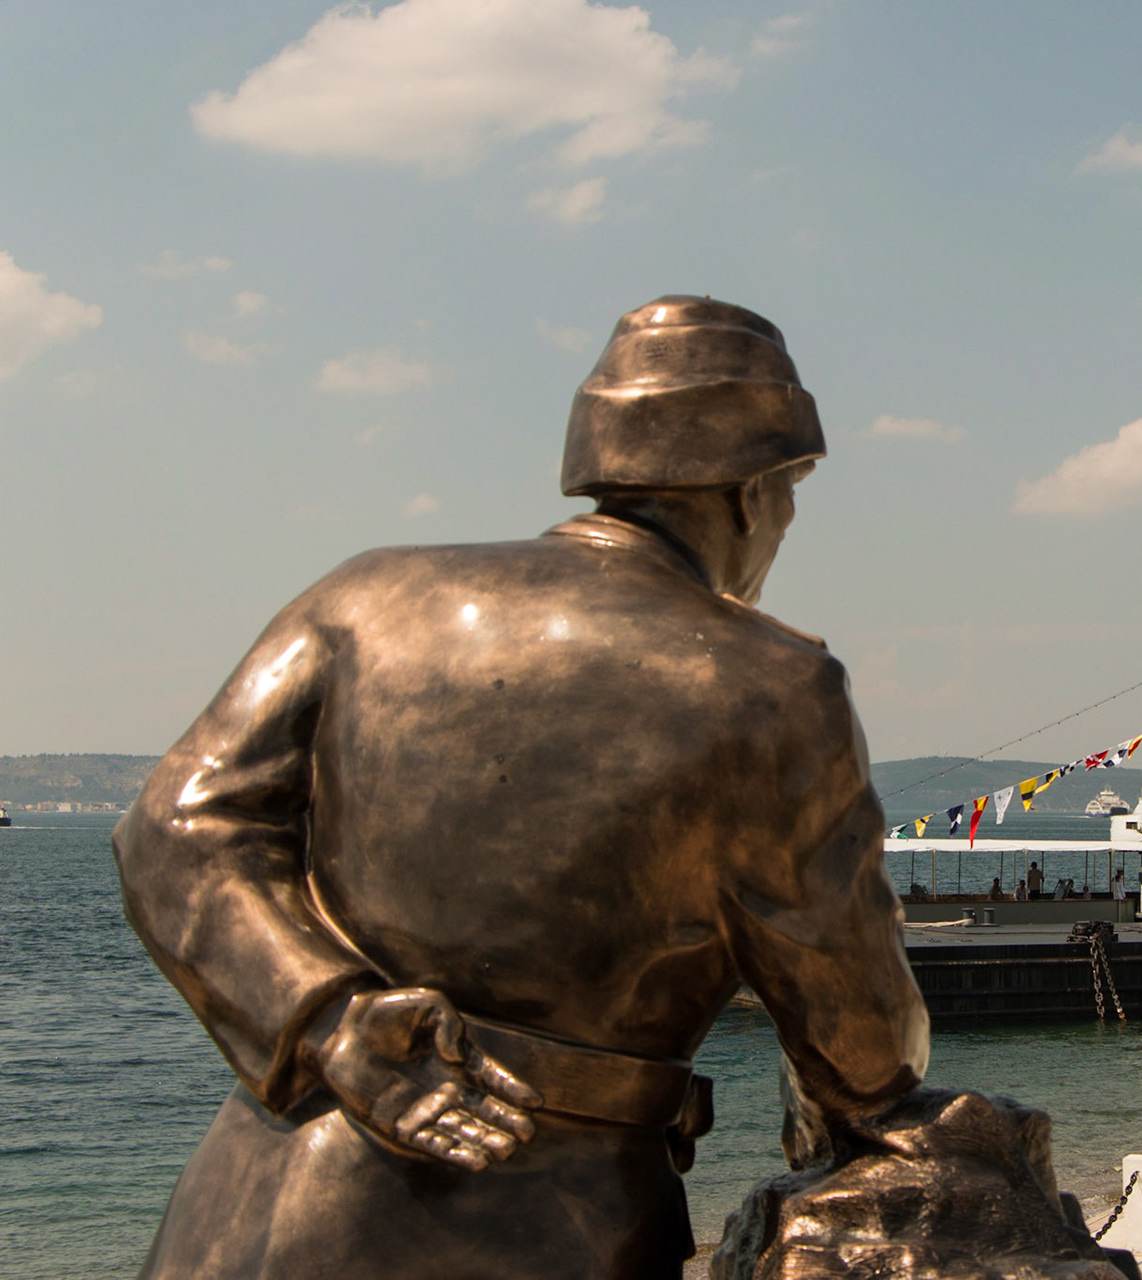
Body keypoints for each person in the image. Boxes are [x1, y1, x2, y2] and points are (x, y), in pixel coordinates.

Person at [112, 297, 929, 1280]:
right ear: (753, 491)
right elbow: (864, 1048)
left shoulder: (364, 596)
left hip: (258, 1197)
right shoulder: (771, 690)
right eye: (793, 490)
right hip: (545, 1220)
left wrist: (329, 1021)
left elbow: (173, 824)